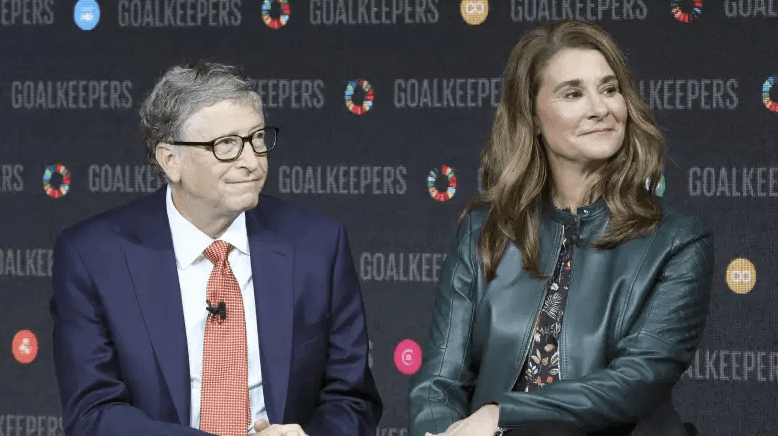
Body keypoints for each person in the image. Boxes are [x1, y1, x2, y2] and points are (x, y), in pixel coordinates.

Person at [408, 20, 714, 436]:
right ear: (533, 116)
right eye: (573, 93)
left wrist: (501, 414)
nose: (600, 108)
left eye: (609, 89)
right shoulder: (485, 231)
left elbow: (636, 382)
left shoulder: (676, 240)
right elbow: (438, 382)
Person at [51, 62, 382, 436]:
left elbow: (353, 401)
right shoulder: (93, 256)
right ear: (170, 160)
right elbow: (93, 412)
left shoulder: (317, 245)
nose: (252, 161)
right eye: (226, 145)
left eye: (258, 138)